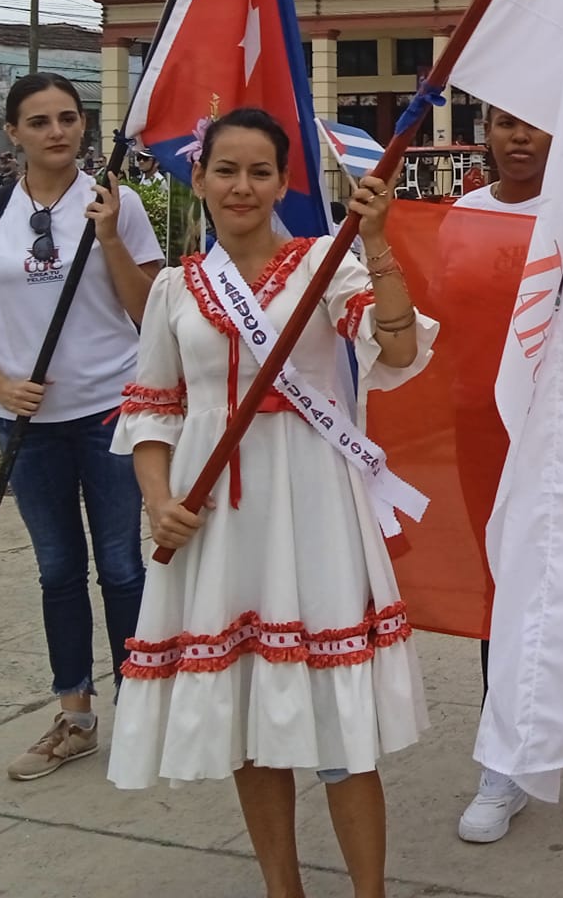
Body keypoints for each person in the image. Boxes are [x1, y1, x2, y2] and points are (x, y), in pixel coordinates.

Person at [108, 108, 435, 898]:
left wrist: (377, 243)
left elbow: (394, 347)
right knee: (249, 718)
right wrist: (160, 502)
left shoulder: (327, 265)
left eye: (260, 171)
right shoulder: (176, 289)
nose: (243, 186)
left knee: (339, 727)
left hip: (313, 506)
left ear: (284, 182)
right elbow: (152, 407)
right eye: (227, 170)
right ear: (200, 179)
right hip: (216, 520)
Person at [0, 73, 164, 781]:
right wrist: (0, 383)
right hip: (27, 426)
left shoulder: (116, 206)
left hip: (109, 413)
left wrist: (109, 236)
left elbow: (150, 310)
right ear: (13, 133)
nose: (57, 132)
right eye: (39, 121)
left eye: (69, 118)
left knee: (123, 567)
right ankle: (75, 713)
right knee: (59, 570)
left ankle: (143, 711)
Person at [450, 105, 563, 842]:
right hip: (487, 425)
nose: (519, 137)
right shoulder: (461, 214)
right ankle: (508, 762)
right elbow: (442, 317)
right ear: (484, 133)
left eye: (536, 123)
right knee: (504, 582)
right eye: (503, 122)